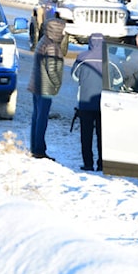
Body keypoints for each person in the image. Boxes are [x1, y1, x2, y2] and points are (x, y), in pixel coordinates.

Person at [28, 18, 66, 160]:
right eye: (62, 30)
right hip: (45, 87)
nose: (63, 33)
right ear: (56, 30)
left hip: (37, 85)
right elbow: (52, 69)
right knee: (42, 119)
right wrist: (57, 84)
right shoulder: (51, 46)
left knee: (36, 118)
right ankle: (39, 150)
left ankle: (35, 147)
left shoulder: (43, 41)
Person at [72, 32, 104, 171]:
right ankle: (102, 163)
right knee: (102, 135)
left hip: (85, 101)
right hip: (104, 103)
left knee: (86, 134)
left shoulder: (82, 57)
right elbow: (117, 80)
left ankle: (88, 163)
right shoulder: (110, 58)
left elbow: (74, 75)